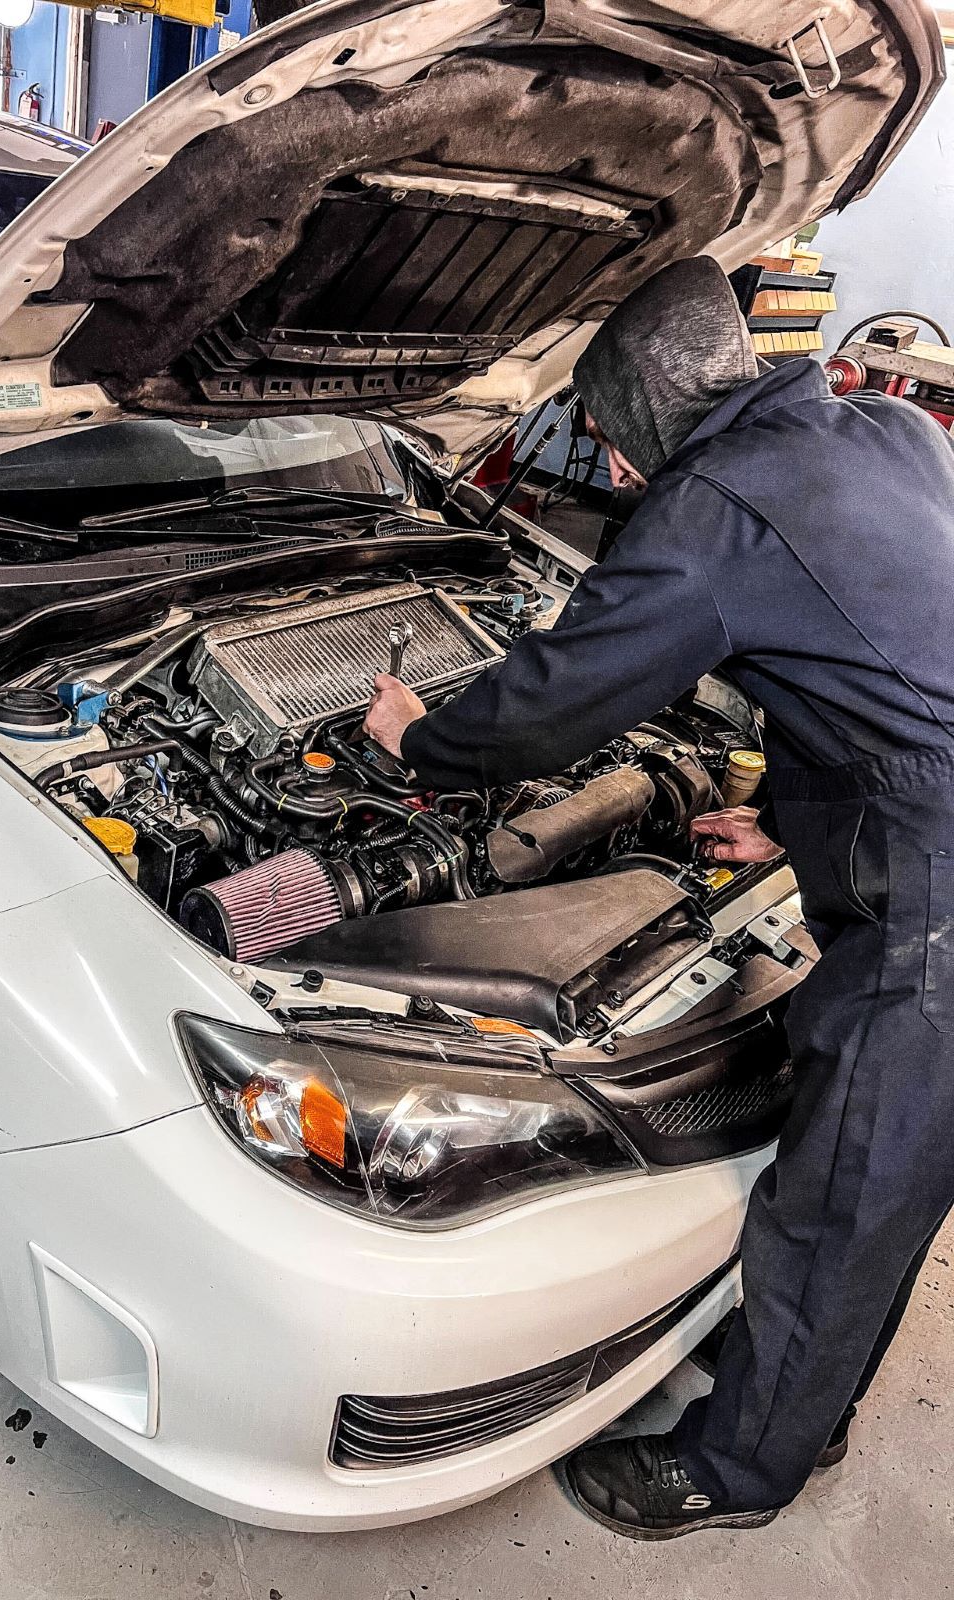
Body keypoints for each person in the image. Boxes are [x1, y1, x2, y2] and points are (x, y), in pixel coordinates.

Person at [363, 255, 954, 1540]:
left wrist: (419, 742)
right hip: (916, 828)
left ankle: (740, 1466)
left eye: (615, 444)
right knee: (891, 1176)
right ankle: (807, 1379)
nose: (617, 472)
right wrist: (804, 821)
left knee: (849, 1190)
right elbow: (886, 661)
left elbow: (551, 705)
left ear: (641, 418)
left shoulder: (714, 511)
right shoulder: (890, 428)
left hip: (938, 903)